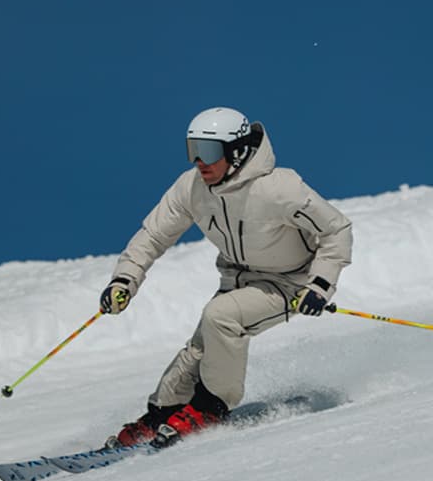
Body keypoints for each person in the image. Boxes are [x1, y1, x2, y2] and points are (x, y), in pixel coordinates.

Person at [99, 107, 353, 448]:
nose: (199, 162)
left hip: (289, 283)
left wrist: (319, 285)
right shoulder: (192, 188)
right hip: (237, 281)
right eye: (193, 151)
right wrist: (124, 280)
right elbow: (153, 235)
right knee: (199, 349)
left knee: (221, 318)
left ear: (237, 151)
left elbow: (336, 230)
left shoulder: (279, 188)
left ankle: (210, 409)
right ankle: (163, 412)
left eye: (208, 152)